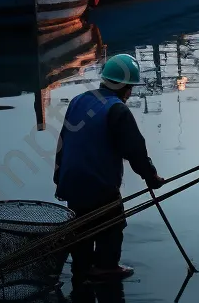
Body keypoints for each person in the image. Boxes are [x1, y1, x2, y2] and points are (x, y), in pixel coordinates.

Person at [54, 54, 164, 282]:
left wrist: (58, 177)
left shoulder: (78, 100)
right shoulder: (118, 111)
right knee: (113, 224)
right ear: (125, 87)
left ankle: (82, 269)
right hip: (99, 186)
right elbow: (136, 151)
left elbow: (63, 141)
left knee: (80, 228)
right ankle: (106, 267)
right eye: (131, 88)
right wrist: (151, 176)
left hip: (71, 181)